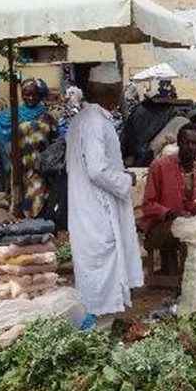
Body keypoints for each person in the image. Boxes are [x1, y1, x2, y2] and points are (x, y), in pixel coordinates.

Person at [66, 64, 143, 327]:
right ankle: (99, 333)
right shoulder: (94, 122)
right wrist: (126, 178)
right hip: (96, 210)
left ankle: (100, 329)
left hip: (91, 207)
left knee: (101, 268)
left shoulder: (85, 120)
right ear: (112, 92)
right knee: (102, 269)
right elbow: (98, 170)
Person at [0, 78, 57, 218]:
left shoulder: (47, 116)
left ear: (40, 95)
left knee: (38, 196)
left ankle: (34, 221)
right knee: (18, 198)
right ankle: (22, 225)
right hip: (19, 165)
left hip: (39, 166)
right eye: (26, 94)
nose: (30, 98)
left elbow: (54, 140)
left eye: (34, 94)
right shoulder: (13, 115)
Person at [141, 124, 196, 271]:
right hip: (159, 227)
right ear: (179, 143)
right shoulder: (160, 166)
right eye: (186, 142)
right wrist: (172, 213)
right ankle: (184, 279)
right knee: (187, 231)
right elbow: (148, 205)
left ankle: (195, 277)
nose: (190, 147)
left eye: (194, 143)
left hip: (188, 223)